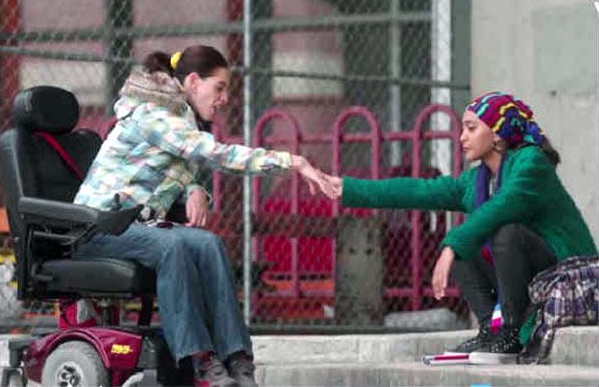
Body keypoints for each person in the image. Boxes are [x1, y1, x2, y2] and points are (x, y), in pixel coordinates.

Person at [73, 45, 335, 387]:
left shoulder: (179, 118)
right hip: (96, 228)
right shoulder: (153, 114)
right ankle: (200, 359)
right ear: (193, 81)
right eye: (220, 88)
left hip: (135, 226)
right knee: (173, 247)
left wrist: (197, 188)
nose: (224, 98)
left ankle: (237, 359)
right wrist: (292, 162)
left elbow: (173, 166)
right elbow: (209, 153)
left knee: (208, 243)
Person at [324, 91, 597, 363]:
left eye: (471, 128)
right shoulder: (478, 180)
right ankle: (493, 331)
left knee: (505, 233)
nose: (462, 137)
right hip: (537, 281)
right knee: (470, 245)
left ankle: (510, 334)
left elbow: (505, 205)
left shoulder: (531, 163)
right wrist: (348, 188)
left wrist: (453, 245)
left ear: (498, 135)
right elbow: (419, 190)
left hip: (571, 279)